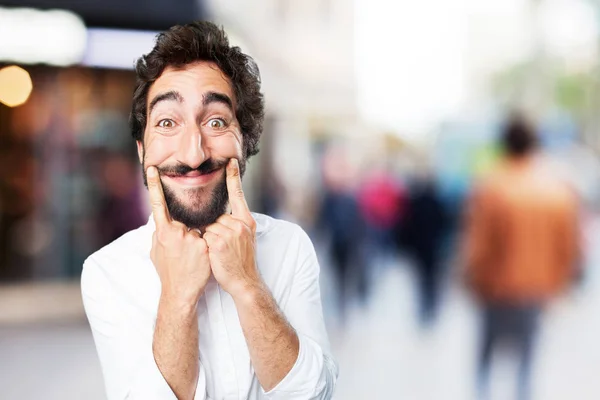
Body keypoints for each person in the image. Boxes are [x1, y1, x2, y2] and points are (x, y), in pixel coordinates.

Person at [81, 21, 338, 400]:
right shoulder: (108, 271)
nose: (193, 154)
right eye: (167, 122)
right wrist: (178, 294)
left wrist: (248, 284)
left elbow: (313, 395)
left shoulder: (289, 246)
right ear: (141, 151)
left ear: (245, 140)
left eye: (216, 121)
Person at [463, 114, 580, 400]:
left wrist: (470, 278)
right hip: (537, 289)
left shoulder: (491, 186)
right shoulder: (556, 189)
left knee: (486, 355)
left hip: (495, 288)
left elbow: (478, 243)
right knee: (527, 359)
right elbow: (568, 247)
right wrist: (559, 284)